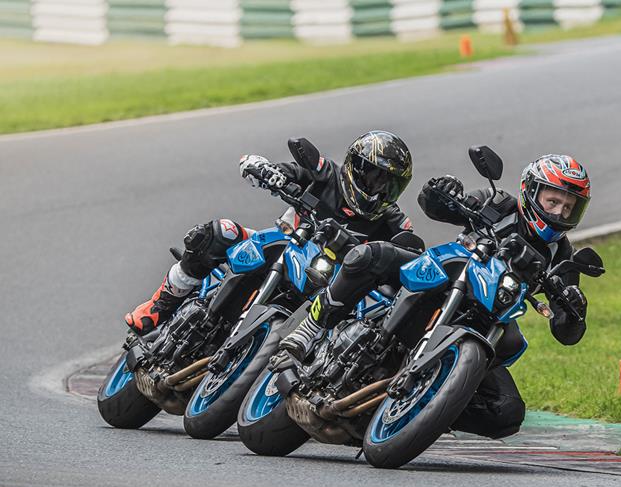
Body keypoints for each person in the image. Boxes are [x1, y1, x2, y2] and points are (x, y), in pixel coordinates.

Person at [124, 130, 416, 336]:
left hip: (323, 282)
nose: (378, 190)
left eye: (389, 186)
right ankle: (159, 306)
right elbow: (279, 169)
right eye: (374, 177)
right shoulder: (325, 174)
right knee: (219, 232)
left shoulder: (393, 221)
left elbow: (409, 254)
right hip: (280, 245)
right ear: (355, 166)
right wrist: (267, 171)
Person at [415, 153, 592, 439]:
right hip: (445, 282)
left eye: (569, 208)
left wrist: (576, 308)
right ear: (531, 192)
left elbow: (565, 332)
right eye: (553, 201)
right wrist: (441, 190)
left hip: (487, 322)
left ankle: (427, 412)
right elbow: (434, 207)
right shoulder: (497, 204)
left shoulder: (561, 255)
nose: (559, 213)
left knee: (506, 412)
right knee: (384, 256)